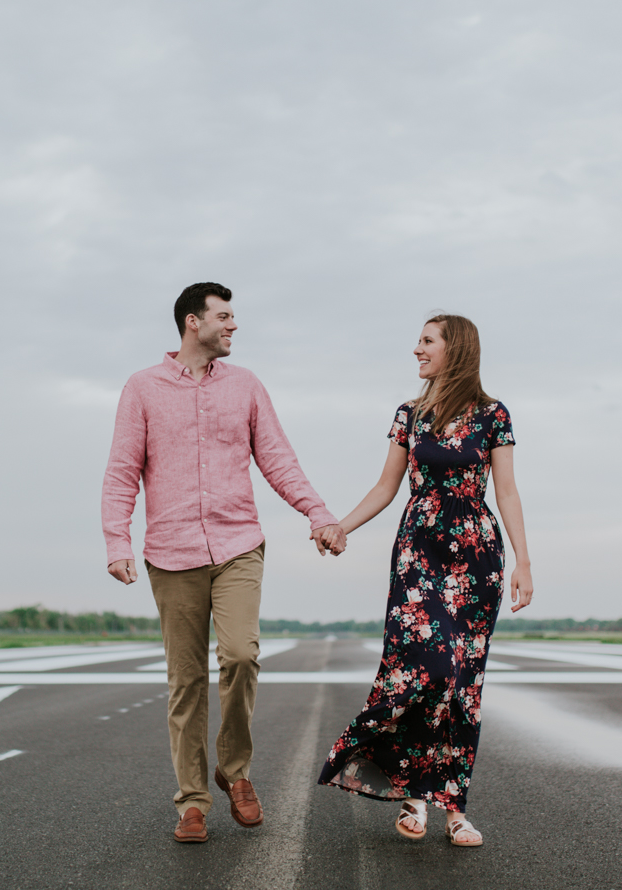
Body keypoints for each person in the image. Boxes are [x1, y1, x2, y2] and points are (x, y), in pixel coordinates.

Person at [102, 281, 348, 844]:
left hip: (238, 544)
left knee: (240, 655)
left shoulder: (247, 387)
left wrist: (319, 514)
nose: (234, 326)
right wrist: (117, 541)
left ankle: (233, 770)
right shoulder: (141, 389)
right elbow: (121, 472)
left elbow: (278, 459)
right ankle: (192, 800)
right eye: (225, 317)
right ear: (194, 322)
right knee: (185, 681)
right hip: (171, 553)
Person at [317, 313, 532, 847]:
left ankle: (453, 806)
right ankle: (411, 787)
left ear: (455, 349)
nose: (416, 349)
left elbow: (506, 491)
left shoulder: (492, 415)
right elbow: (387, 485)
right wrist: (341, 525)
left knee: (462, 684)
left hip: (476, 556)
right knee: (424, 669)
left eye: (427, 341)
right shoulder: (409, 414)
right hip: (419, 553)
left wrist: (523, 562)